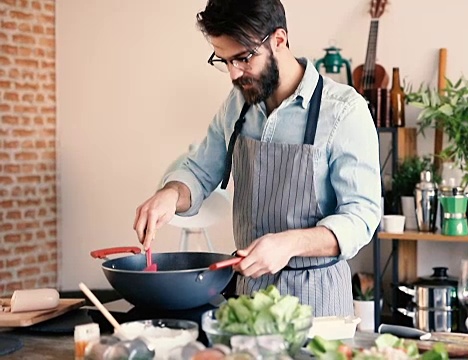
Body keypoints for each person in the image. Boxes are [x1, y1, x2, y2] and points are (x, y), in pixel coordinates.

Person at [133, 0, 381, 317]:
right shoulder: (238, 104)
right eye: (223, 60)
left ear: (279, 40)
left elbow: (361, 217)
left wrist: (289, 244)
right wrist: (171, 194)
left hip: (316, 305)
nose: (233, 74)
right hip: (247, 300)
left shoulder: (344, 111)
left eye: (243, 58)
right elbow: (199, 171)